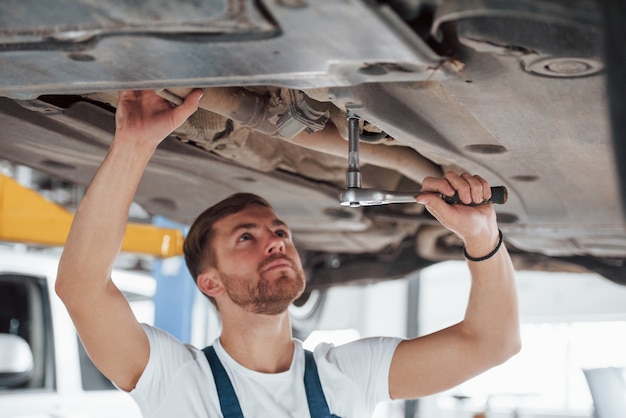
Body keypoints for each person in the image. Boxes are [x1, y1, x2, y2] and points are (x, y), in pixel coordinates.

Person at [56, 89, 521, 417]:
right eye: (246, 237)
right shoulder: (175, 381)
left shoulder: (345, 375)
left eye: (279, 230)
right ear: (209, 281)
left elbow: (493, 344)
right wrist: (132, 145)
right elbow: (82, 289)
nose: (277, 240)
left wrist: (483, 237)